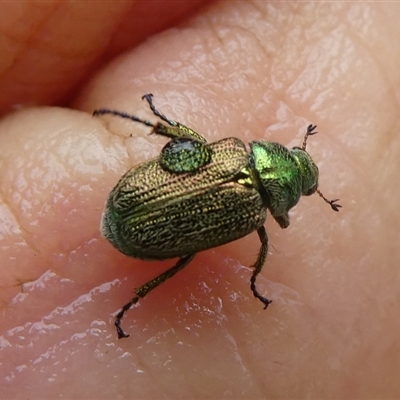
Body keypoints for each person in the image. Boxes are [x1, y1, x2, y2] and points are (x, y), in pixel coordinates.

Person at [1, 2, 398, 399]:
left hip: (139, 215)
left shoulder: (234, 154)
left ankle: (152, 124)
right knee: (186, 255)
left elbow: (190, 150)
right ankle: (139, 289)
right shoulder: (254, 213)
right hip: (138, 209)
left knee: (194, 159)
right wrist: (255, 278)